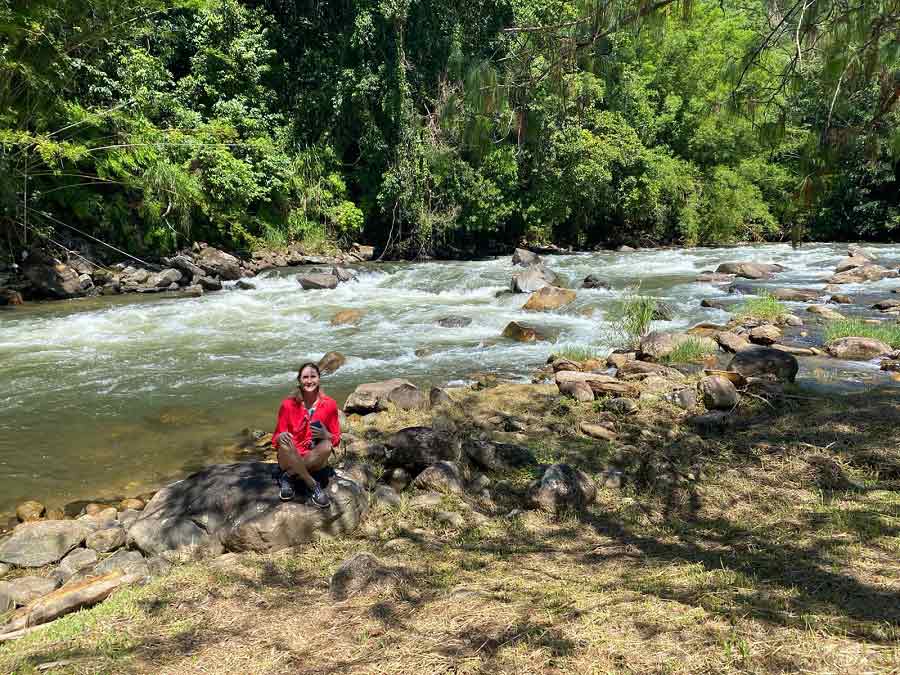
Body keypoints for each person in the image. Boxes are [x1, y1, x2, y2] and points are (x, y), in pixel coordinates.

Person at [272, 362, 341, 506]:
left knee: (327, 445)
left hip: (313, 459)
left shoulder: (330, 405)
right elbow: (275, 438)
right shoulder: (288, 405)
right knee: (285, 442)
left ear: (319, 378)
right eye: (305, 377)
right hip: (290, 457)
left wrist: (325, 434)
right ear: (299, 380)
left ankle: (288, 476)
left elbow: (336, 438)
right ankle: (312, 484)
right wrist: (281, 436)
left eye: (313, 376)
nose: (309, 381)